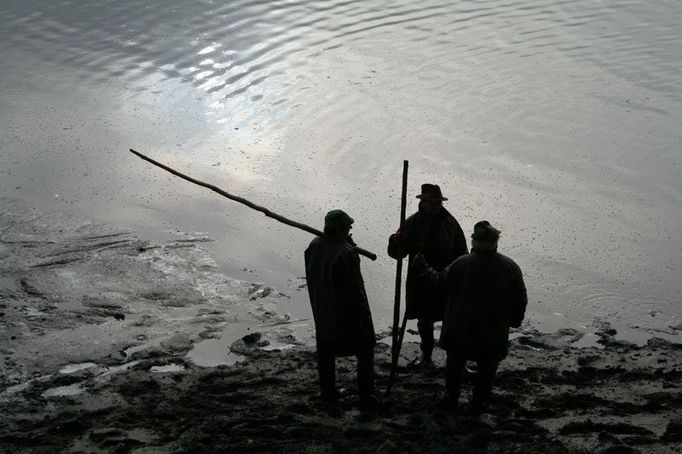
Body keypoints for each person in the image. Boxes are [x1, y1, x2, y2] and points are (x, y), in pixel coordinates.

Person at [416, 220, 527, 414]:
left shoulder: (461, 264)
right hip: (493, 332)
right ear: (495, 242)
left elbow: (439, 284)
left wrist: (424, 268)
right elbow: (520, 298)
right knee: (487, 369)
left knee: (455, 366)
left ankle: (451, 399)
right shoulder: (510, 267)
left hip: (461, 329)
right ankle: (478, 403)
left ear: (474, 241)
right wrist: (516, 320)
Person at [387, 183, 468, 366]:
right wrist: (395, 241)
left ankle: (454, 360)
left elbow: (463, 253)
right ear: (422, 202)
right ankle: (427, 355)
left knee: (452, 319)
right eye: (432, 202)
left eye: (438, 202)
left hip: (447, 279)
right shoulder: (411, 223)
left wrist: (460, 276)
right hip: (421, 282)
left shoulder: (450, 223)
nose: (436, 206)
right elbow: (397, 254)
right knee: (425, 321)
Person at [304, 209, 378, 408]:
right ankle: (366, 395)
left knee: (326, 352)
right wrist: (363, 317)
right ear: (338, 229)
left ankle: (327, 393)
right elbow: (355, 290)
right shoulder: (346, 253)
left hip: (322, 309)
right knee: (366, 349)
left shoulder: (313, 246)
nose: (350, 228)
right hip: (345, 314)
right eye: (347, 226)